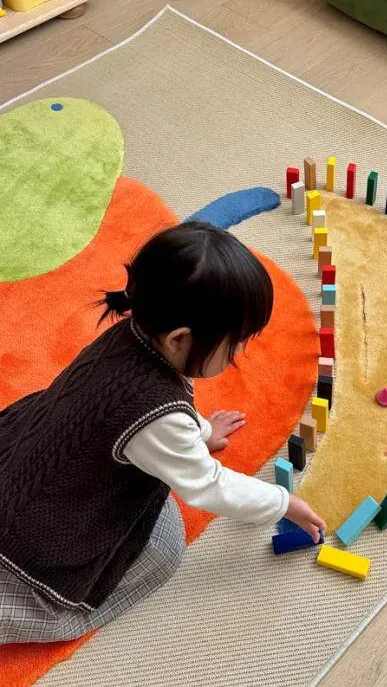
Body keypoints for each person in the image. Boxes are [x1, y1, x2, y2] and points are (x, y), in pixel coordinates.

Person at [0, 222, 325, 644]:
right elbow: (209, 485)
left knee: (157, 520)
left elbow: (165, 422)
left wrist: (199, 432)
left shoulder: (132, 334)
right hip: (37, 537)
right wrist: (283, 502)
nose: (241, 352)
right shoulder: (155, 412)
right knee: (162, 549)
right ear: (179, 339)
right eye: (235, 344)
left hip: (27, 457)